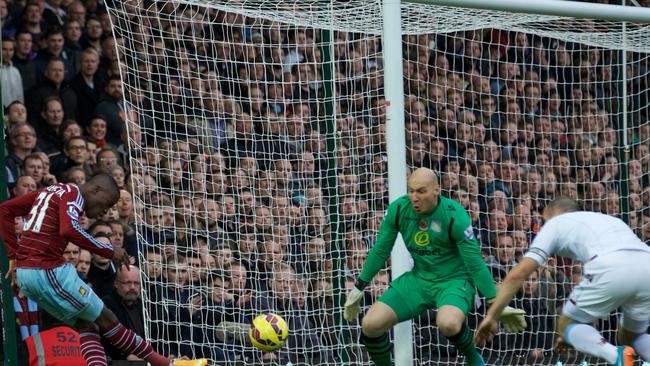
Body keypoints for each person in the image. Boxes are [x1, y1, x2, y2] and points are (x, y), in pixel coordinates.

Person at [0, 174, 206, 366]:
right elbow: (68, 229)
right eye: (106, 204)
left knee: (86, 323)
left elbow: (5, 210)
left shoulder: (50, 191)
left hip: (29, 275)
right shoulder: (73, 194)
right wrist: (108, 250)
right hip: (47, 271)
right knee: (106, 317)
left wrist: (13, 255)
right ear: (96, 190)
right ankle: (167, 363)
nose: (104, 212)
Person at [343, 167, 525, 366]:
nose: (414, 197)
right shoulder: (398, 210)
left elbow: (474, 263)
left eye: (421, 191)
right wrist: (359, 287)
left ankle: (474, 359)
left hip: (454, 281)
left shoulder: (454, 215)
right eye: (411, 190)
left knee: (447, 323)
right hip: (419, 279)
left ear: (436, 190)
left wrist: (493, 301)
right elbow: (380, 250)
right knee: (370, 324)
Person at [474, 197, 646, 366]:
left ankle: (615, 355)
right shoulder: (610, 220)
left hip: (610, 266)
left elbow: (517, 274)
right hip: (646, 264)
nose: (543, 225)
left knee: (566, 324)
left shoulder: (557, 223)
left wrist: (492, 316)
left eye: (544, 220)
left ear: (554, 213)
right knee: (632, 336)